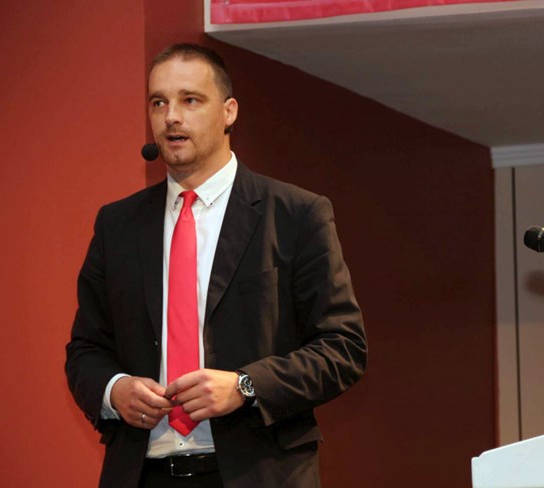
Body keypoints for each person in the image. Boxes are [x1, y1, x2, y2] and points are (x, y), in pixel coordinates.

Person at [65, 43, 367, 488]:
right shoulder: (118, 224)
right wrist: (115, 390)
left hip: (257, 473)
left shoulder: (295, 214)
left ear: (229, 112)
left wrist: (246, 386)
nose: (171, 117)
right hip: (142, 473)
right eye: (158, 102)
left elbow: (343, 348)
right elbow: (85, 351)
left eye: (190, 100)